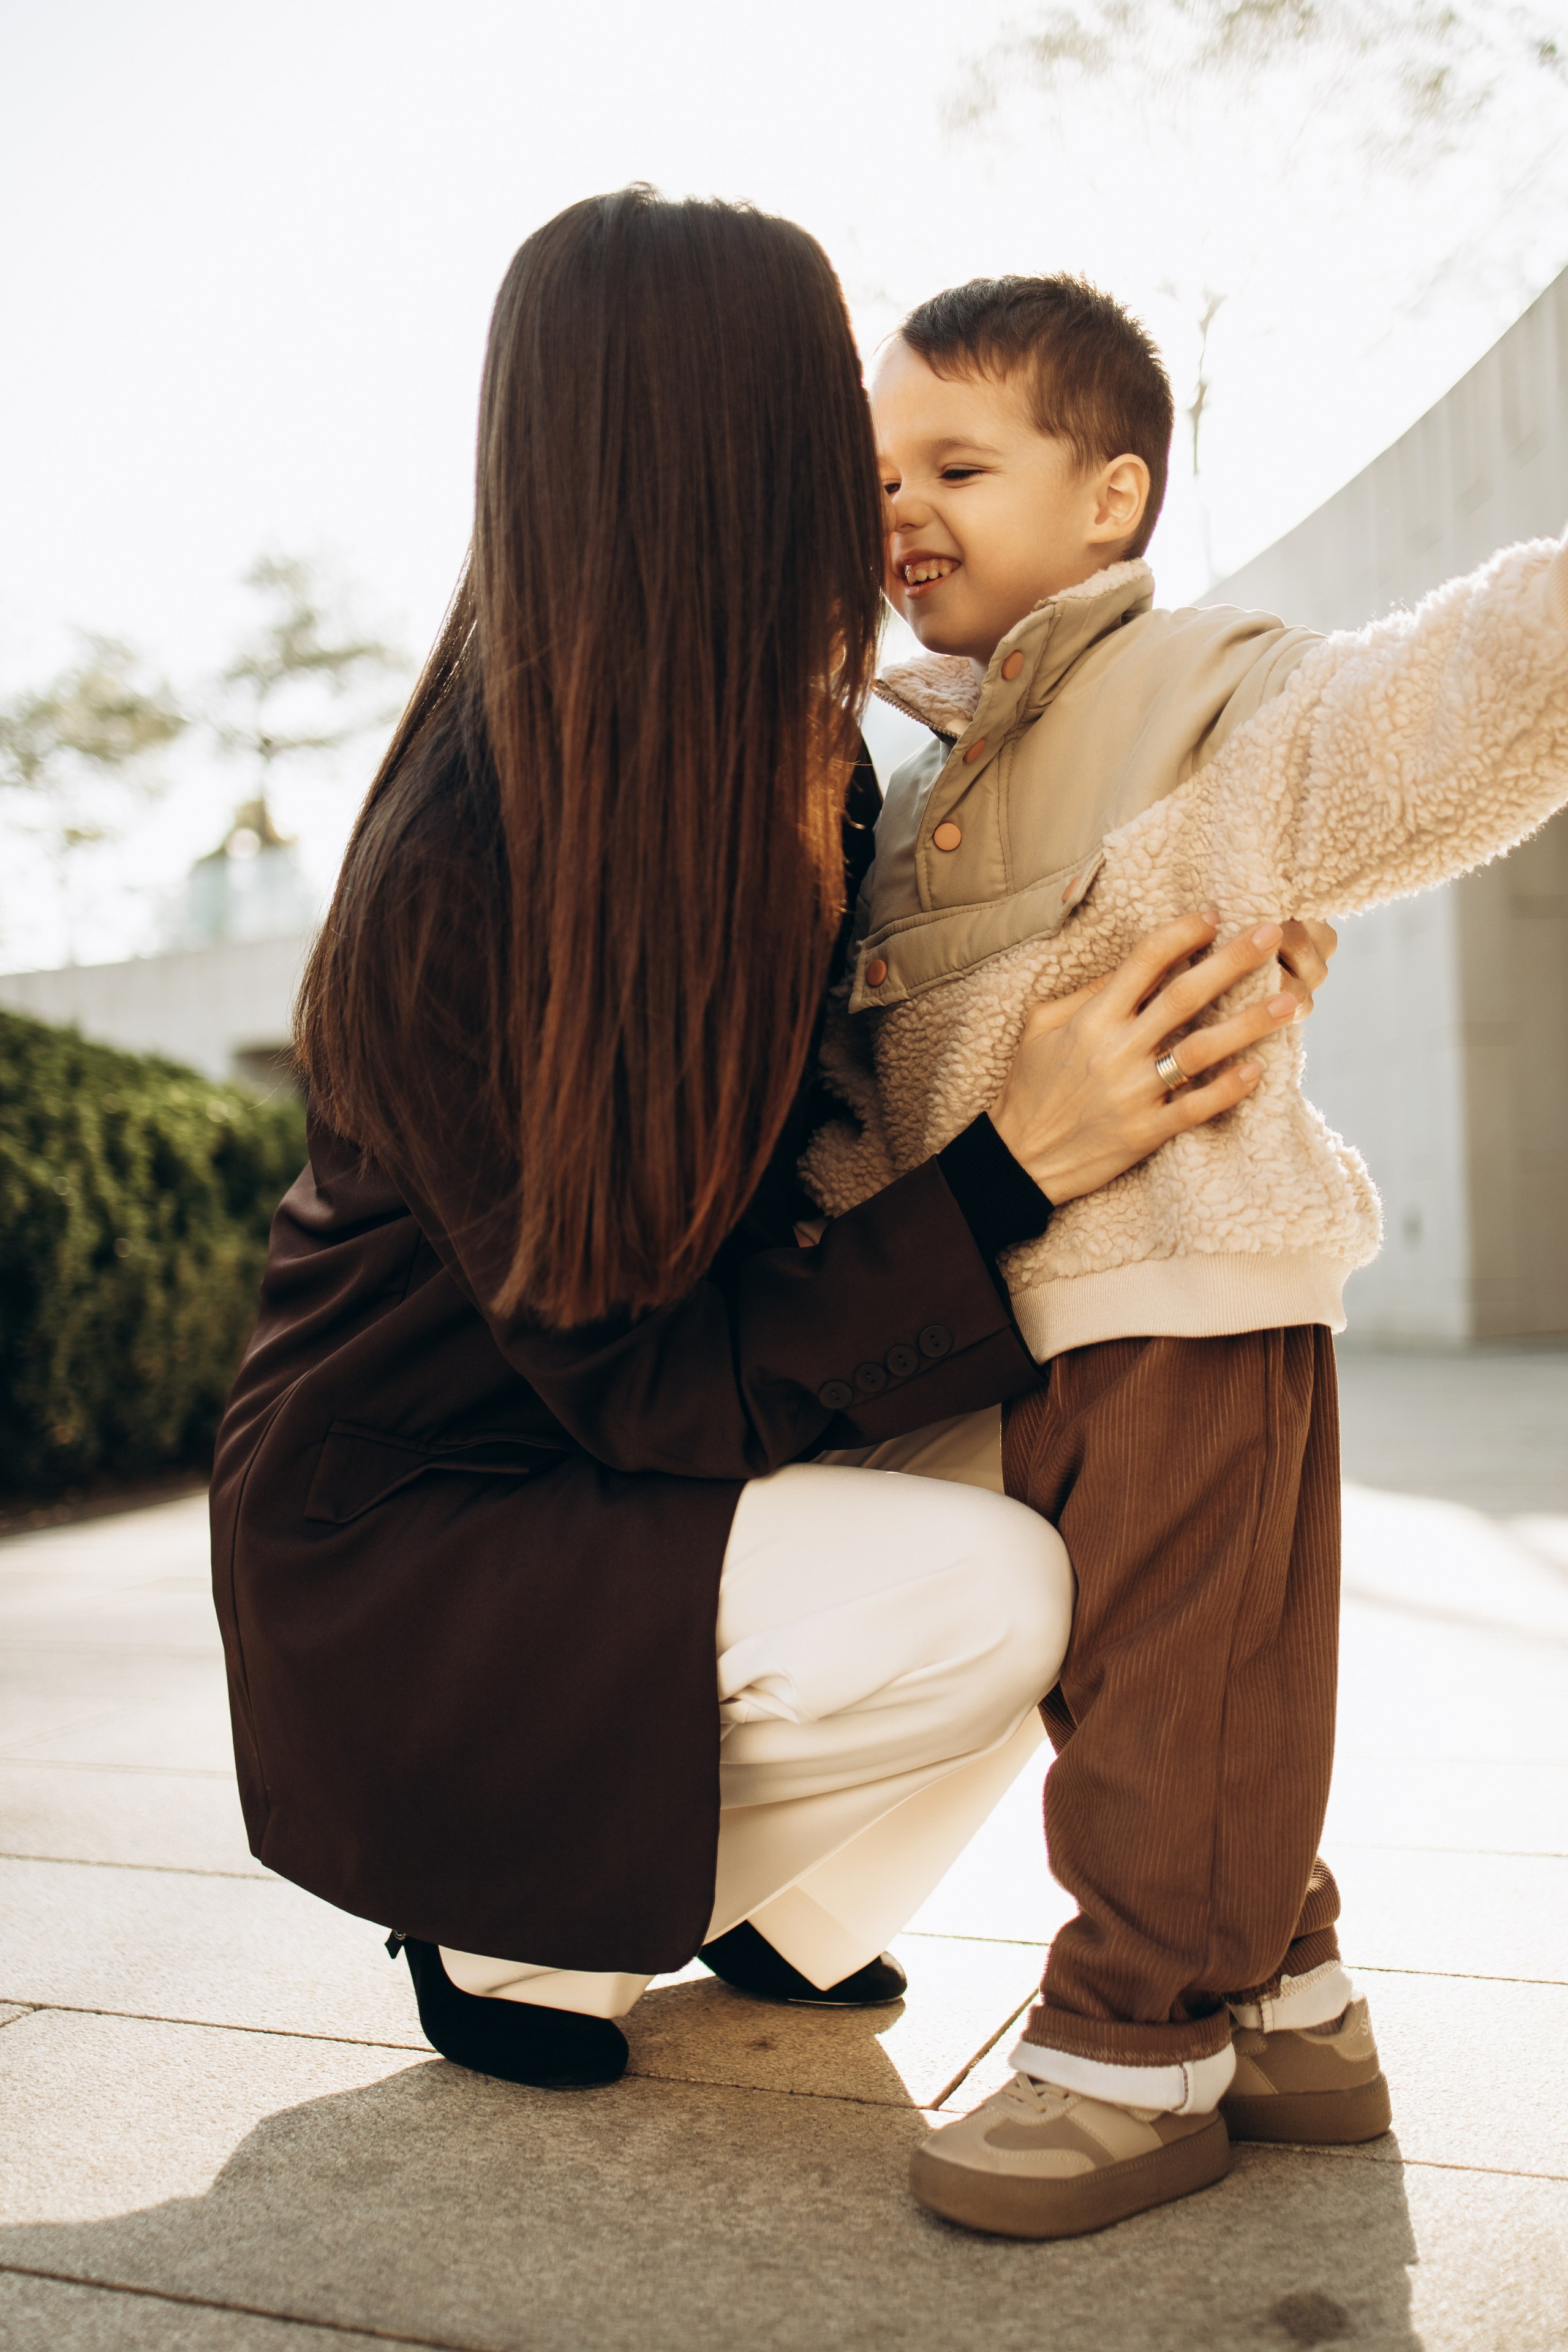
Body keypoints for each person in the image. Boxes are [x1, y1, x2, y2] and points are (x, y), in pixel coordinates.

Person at [208, 192, 1331, 2165]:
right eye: (831, 410)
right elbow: (651, 1384)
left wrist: (1236, 933)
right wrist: (1004, 1171)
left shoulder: (805, 766)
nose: (874, 473)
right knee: (987, 1584)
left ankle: (791, 1913)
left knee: (1088, 1407)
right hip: (421, 1552)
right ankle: (511, 1923)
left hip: (619, 1467)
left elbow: (951, 1026)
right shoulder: (462, 871)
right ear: (724, 454)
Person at [801, 273, 1568, 2240]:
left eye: (960, 464)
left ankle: (1136, 2050)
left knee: (1176, 1707)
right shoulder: (906, 781)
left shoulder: (1207, 693)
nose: (904, 508)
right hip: (1016, 1313)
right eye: (881, 470)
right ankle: (1297, 2009)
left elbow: (1441, 699)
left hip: (1181, 1303)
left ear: (1114, 498)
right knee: (1156, 1688)